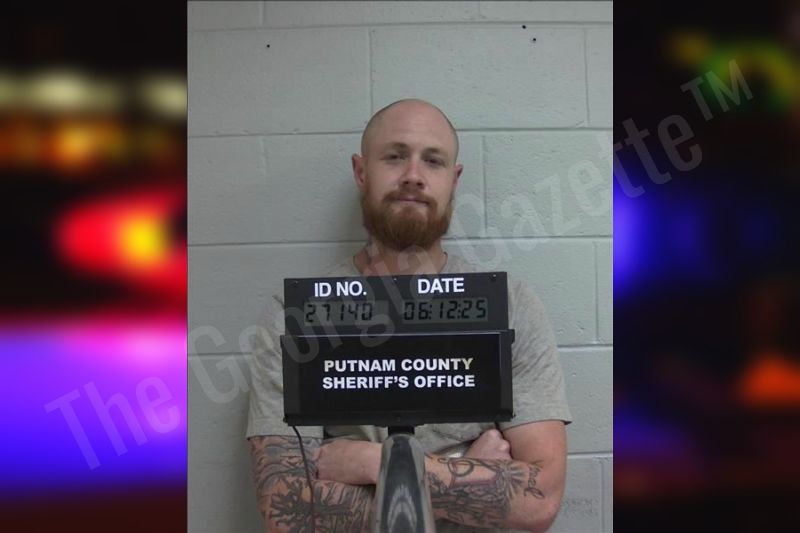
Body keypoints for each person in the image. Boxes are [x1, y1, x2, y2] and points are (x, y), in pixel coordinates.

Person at [246, 99, 572, 532]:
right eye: (395, 156)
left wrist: (374, 462)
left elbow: (540, 500)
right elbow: (286, 513)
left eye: (433, 161)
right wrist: (465, 467)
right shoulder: (296, 316)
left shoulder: (511, 306)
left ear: (454, 180)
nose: (413, 176)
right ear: (361, 172)